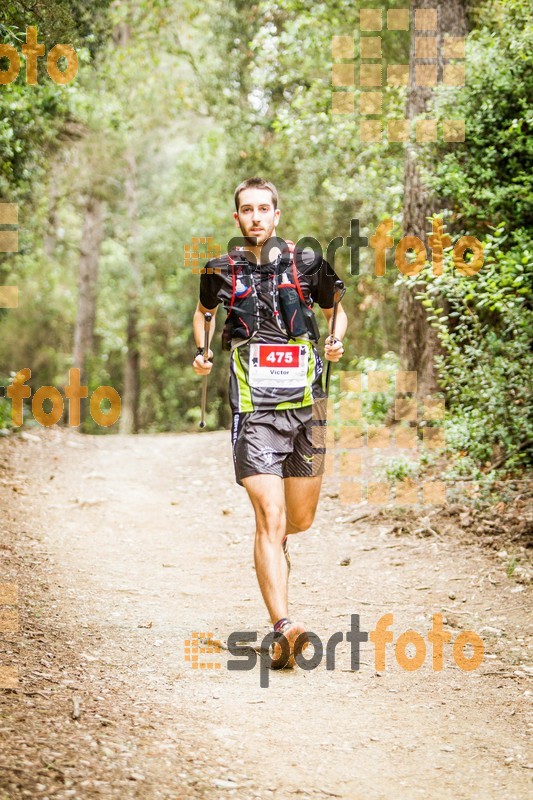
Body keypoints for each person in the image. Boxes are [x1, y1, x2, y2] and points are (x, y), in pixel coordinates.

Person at [192, 177, 347, 668]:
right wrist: (201, 350)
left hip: (308, 406)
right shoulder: (219, 269)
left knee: (298, 521)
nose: (256, 216)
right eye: (246, 209)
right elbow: (203, 314)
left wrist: (335, 342)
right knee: (270, 515)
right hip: (253, 409)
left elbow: (337, 310)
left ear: (277, 215)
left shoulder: (307, 262)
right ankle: (284, 626)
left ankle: (277, 552)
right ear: (236, 218)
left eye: (264, 208)